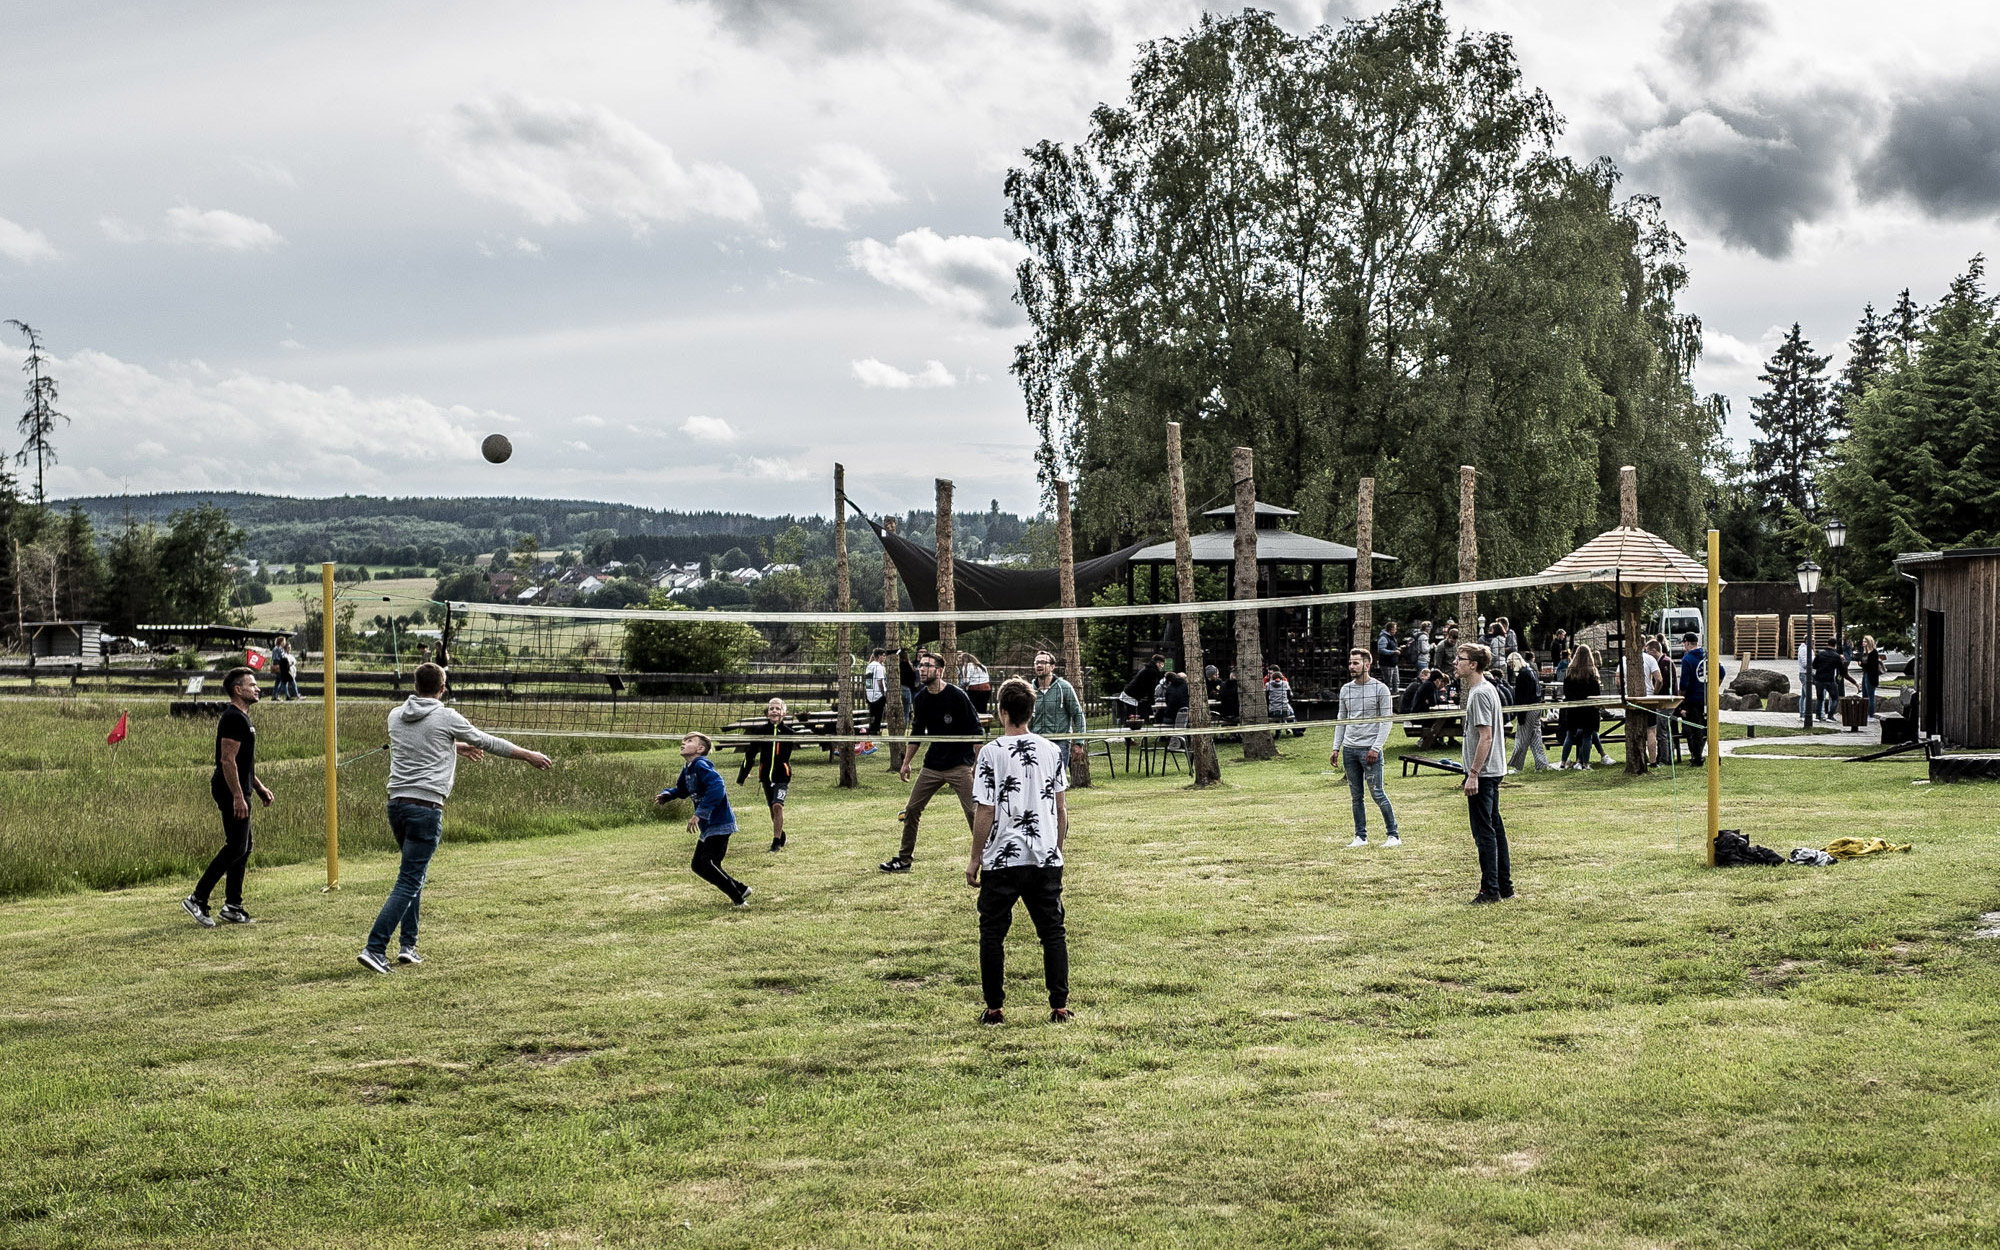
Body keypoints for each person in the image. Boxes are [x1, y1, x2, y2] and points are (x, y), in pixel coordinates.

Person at [359, 662, 552, 972]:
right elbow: (487, 742)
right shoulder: (446, 716)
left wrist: (455, 746)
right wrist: (528, 754)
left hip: (396, 805)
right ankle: (374, 948)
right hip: (425, 809)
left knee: (413, 876)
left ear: (415, 685)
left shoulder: (395, 715)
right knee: (408, 880)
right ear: (443, 687)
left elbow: (422, 741)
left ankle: (408, 946)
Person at [967, 677, 1072, 1025]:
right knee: (1052, 932)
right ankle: (1059, 1007)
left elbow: (985, 810)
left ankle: (994, 1008)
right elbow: (1061, 808)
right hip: (1044, 855)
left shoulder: (990, 754)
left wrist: (974, 858)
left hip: (1002, 859)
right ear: (1032, 710)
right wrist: (1055, 848)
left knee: (992, 933)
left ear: (1002, 711)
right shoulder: (1052, 750)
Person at [183, 667, 275, 928]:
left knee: (243, 847)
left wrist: (258, 788)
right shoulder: (234, 718)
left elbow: (243, 763)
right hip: (229, 789)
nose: (257, 689)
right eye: (252, 685)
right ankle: (197, 898)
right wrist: (237, 796)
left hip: (240, 788)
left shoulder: (244, 718)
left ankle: (233, 905)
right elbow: (227, 760)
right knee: (236, 846)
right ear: (238, 690)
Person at [880, 651, 982, 873]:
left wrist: (978, 765)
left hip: (960, 765)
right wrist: (906, 763)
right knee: (912, 809)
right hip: (933, 766)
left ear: (940, 670)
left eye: (927, 665)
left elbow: (977, 731)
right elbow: (916, 734)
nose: (922, 668)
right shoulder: (921, 698)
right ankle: (904, 860)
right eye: (921, 665)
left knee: (974, 813)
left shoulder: (957, 696)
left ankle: (989, 858)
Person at [658, 732, 750, 907]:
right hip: (709, 825)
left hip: (720, 823)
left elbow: (717, 787)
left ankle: (739, 900)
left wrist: (699, 813)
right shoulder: (688, 768)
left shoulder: (701, 764)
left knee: (706, 863)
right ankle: (741, 889)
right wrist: (669, 794)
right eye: (684, 740)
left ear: (700, 749)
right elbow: (683, 789)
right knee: (698, 865)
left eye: (689, 741)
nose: (683, 743)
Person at [1456, 643, 1512, 904]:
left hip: (1485, 772)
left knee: (1484, 832)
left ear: (1473, 665)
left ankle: (1490, 890)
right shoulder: (1489, 688)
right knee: (1495, 829)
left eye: (1461, 658)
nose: (1456, 662)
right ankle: (1504, 885)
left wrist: (1474, 773)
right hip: (1494, 769)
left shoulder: (1479, 693)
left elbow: (1485, 737)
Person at [1333, 648, 1399, 848]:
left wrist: (1376, 748)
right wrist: (1336, 747)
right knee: (1356, 796)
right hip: (1350, 749)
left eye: (1356, 663)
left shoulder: (1380, 689)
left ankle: (1393, 835)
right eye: (1350, 663)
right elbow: (1341, 720)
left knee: (1377, 793)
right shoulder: (1346, 689)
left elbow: (1387, 721)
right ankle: (1360, 836)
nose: (1352, 667)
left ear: (1367, 665)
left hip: (1370, 749)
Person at [737, 696, 801, 852]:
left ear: (783, 713)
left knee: (778, 806)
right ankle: (780, 832)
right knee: (772, 809)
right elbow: (750, 755)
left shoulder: (789, 733)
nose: (774, 711)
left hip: (782, 776)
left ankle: (776, 842)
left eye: (777, 708)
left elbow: (784, 754)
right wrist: (742, 776)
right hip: (765, 775)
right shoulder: (760, 731)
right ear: (767, 713)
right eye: (771, 708)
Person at [1029, 649, 1087, 769]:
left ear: (1052, 667)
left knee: (1057, 781)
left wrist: (1079, 743)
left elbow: (1078, 714)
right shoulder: (1029, 690)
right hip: (1036, 741)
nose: (1039, 665)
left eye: (1043, 663)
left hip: (1059, 741)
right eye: (1037, 662)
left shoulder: (1064, 687)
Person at [1677, 632, 1723, 765]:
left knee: (1696, 729)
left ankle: (1697, 757)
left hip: (1693, 698)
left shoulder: (1687, 659)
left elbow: (1684, 682)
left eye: (1684, 643)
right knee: (1711, 728)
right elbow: (1722, 672)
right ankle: (1715, 756)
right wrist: (1713, 688)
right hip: (1708, 698)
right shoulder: (1707, 655)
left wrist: (1682, 697)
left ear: (1687, 643)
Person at [1559, 645, 1605, 769]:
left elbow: (1566, 691)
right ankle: (1585, 763)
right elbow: (1596, 693)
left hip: (1573, 708)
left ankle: (1563, 763)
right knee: (1587, 736)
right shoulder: (1592, 672)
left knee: (1570, 735)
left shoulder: (1569, 671)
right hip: (1588, 709)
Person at [1506, 651, 1551, 772]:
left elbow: (1521, 697)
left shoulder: (1523, 675)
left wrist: (1520, 715)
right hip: (1536, 707)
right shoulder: (1531, 671)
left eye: (1510, 664)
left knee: (1522, 737)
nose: (1510, 667)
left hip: (1527, 708)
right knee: (1535, 736)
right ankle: (1541, 765)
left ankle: (1517, 766)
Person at [1117, 653, 1166, 723]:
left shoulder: (1149, 668)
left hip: (1130, 693)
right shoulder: (1152, 672)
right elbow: (1151, 688)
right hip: (1131, 695)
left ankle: (1129, 725)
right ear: (1158, 663)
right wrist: (1152, 701)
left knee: (1131, 715)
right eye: (1162, 664)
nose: (1162, 666)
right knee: (1131, 716)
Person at [1812, 640, 1844, 721]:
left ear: (1827, 644)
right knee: (1835, 698)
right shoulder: (1836, 656)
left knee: (1820, 697)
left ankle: (1818, 716)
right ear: (1835, 645)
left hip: (1819, 678)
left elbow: (1814, 665)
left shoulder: (1820, 653)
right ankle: (1830, 716)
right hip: (1829, 679)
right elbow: (1841, 669)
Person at [864, 647, 890, 737]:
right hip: (878, 694)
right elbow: (880, 681)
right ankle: (876, 731)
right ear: (879, 656)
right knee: (878, 716)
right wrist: (884, 693)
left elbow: (868, 681)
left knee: (872, 715)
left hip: (870, 694)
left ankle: (872, 730)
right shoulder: (878, 666)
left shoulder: (869, 665)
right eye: (883, 655)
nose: (885, 657)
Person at [1265, 666, 1296, 734]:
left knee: (1278, 709)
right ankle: (1295, 730)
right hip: (1285, 710)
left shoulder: (1268, 684)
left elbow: (1266, 697)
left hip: (1273, 711)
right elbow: (1290, 696)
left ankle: (1279, 733)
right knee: (1290, 710)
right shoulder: (1285, 683)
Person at [1858, 636, 1884, 717]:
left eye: (1865, 642)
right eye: (1863, 641)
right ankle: (1865, 713)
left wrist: (1862, 664)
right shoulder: (1865, 652)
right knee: (1864, 694)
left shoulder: (1873, 653)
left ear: (1869, 643)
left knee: (1870, 695)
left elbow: (1872, 666)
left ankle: (1871, 714)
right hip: (1865, 673)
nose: (1863, 643)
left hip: (1871, 675)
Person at [1376, 620, 1402, 691]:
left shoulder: (1392, 637)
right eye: (1395, 629)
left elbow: (1391, 646)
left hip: (1393, 663)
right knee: (1388, 682)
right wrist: (1393, 652)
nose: (1396, 630)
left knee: (1396, 681)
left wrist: (1398, 648)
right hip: (1386, 664)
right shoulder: (1384, 638)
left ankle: (1395, 695)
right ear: (1391, 629)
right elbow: (1381, 650)